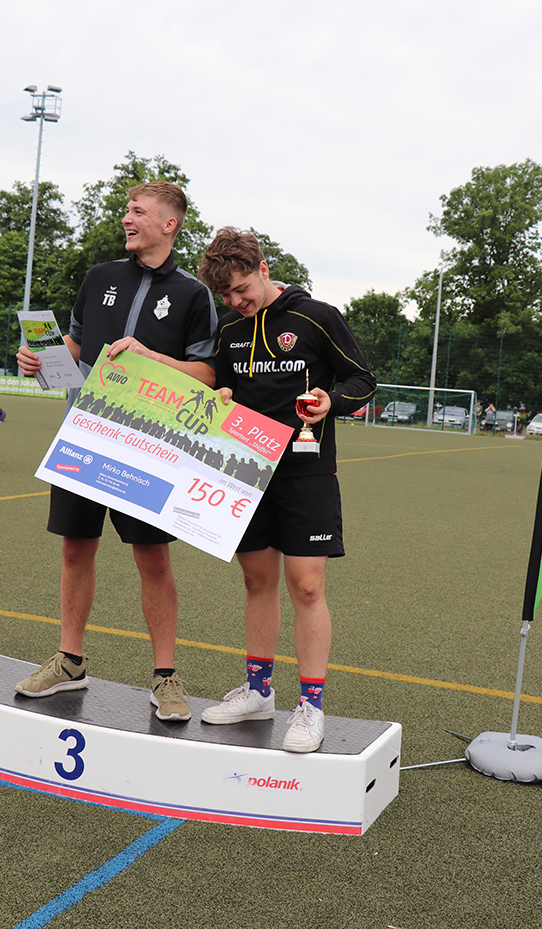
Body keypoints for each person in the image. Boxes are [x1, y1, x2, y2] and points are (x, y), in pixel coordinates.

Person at [14, 181, 217, 721]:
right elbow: (75, 345)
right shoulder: (99, 277)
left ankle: (166, 677)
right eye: (127, 210)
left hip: (146, 448)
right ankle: (70, 661)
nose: (127, 218)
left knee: (153, 559)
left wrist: (153, 358)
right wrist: (38, 359)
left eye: (138, 211)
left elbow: (206, 372)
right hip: (82, 436)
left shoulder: (194, 294)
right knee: (75, 548)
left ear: (169, 224)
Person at [197, 227, 376, 752]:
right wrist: (223, 394)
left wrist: (330, 401)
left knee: (307, 587)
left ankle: (311, 706)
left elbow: (363, 380)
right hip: (245, 471)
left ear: (263, 269)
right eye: (226, 295)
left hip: (306, 472)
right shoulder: (230, 328)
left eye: (241, 288)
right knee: (257, 581)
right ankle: (258, 692)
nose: (235, 301)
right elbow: (223, 385)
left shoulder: (316, 317)